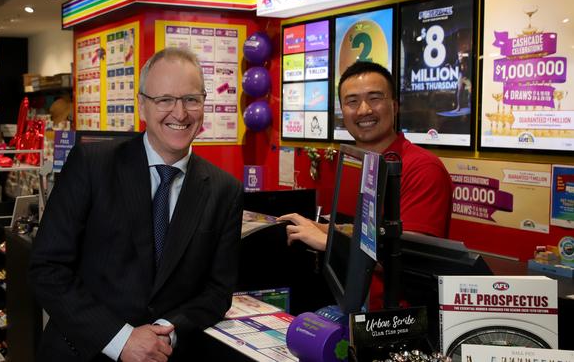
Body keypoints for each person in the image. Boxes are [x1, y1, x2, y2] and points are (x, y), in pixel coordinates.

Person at [29, 48, 243, 362]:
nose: (180, 113)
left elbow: (217, 290)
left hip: (165, 354)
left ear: (203, 104)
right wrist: (121, 339)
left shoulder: (225, 189)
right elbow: (47, 268)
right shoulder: (91, 165)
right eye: (164, 99)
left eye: (190, 99)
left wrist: (167, 331)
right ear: (142, 105)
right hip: (84, 353)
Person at [277, 61, 453, 251]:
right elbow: (369, 232)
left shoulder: (423, 168)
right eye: (352, 101)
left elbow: (407, 256)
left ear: (394, 106)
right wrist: (323, 229)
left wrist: (330, 242)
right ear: (342, 111)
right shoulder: (360, 163)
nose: (364, 110)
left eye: (374, 98)